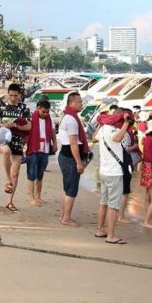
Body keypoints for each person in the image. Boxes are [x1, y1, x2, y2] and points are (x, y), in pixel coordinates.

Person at [0, 83, 31, 212]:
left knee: (16, 172)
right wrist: (1, 124)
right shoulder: (1, 107)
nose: (13, 98)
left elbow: (29, 126)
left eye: (15, 96)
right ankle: (7, 179)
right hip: (4, 139)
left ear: (20, 95)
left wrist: (16, 126)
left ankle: (10, 201)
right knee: (6, 151)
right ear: (8, 94)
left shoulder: (24, 109)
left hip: (18, 141)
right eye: (11, 95)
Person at [95, 109, 130, 244]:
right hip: (114, 173)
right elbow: (117, 138)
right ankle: (111, 235)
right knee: (113, 206)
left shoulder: (104, 129)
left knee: (103, 202)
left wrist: (101, 122)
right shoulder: (113, 131)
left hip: (103, 171)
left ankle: (100, 230)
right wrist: (126, 124)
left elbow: (94, 137)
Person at [57, 91, 89, 227]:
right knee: (71, 189)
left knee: (68, 188)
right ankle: (66, 218)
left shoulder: (69, 117)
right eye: (79, 102)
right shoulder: (71, 119)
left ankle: (63, 215)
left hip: (66, 155)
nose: (82, 104)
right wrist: (79, 163)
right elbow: (73, 143)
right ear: (71, 103)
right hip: (69, 157)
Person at [25, 100, 56, 207]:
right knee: (31, 173)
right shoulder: (30, 117)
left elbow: (52, 131)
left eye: (47, 112)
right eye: (43, 112)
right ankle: (31, 197)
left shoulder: (49, 119)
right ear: (38, 108)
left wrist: (54, 143)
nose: (45, 114)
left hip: (45, 149)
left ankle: (38, 196)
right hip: (33, 148)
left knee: (40, 174)